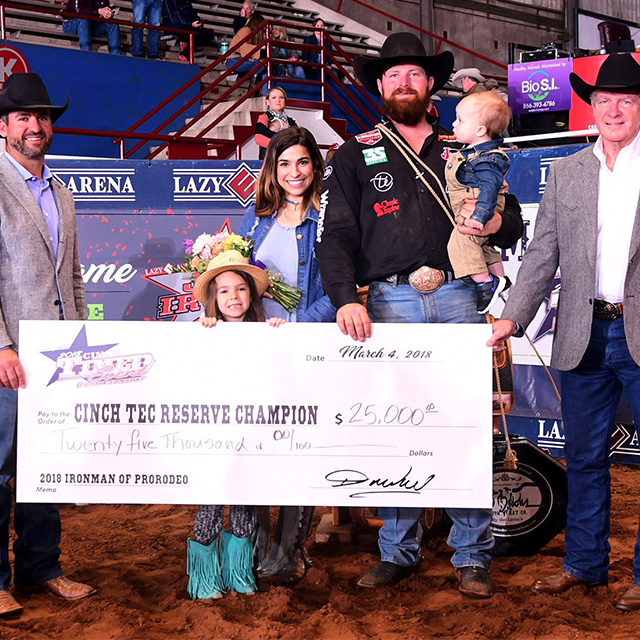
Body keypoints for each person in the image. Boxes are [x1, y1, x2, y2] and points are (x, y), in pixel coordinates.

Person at [315, 32, 523, 599]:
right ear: (380, 86)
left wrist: (494, 227)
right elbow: (335, 238)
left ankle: (472, 554)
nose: (403, 83)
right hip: (389, 302)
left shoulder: (466, 147)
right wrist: (346, 299)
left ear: (431, 83)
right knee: (396, 429)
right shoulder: (355, 152)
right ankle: (397, 552)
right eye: (393, 75)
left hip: (458, 297)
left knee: (465, 425)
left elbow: (512, 223)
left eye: (414, 74)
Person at [488, 52, 640, 612]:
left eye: (627, 99)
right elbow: (542, 252)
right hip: (582, 330)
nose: (614, 110)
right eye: (604, 100)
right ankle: (583, 564)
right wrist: (513, 315)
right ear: (591, 106)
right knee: (584, 456)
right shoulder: (570, 170)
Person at [0, 72, 95, 617]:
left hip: (56, 355)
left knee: (43, 467)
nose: (35, 126)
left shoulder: (61, 190)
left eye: (42, 116)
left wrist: (77, 340)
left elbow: (74, 276)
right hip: (10, 356)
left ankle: (43, 568)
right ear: (5, 125)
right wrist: (1, 348)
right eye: (23, 117)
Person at [238, 127, 335, 583]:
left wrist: (297, 327)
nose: (294, 173)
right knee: (255, 450)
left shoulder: (328, 220)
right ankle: (259, 552)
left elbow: (340, 290)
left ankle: (289, 552)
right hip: (258, 352)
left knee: (299, 450)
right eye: (284, 164)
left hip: (306, 349)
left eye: (302, 162)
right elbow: (232, 285)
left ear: (315, 166)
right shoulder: (255, 224)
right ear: (272, 171)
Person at [187, 251, 283, 600]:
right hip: (214, 436)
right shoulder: (203, 332)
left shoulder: (267, 331)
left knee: (243, 503)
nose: (233, 297)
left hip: (250, 434)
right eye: (224, 291)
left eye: (241, 289)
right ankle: (204, 576)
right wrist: (203, 332)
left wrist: (277, 334)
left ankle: (240, 572)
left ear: (252, 296)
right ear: (213, 298)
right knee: (211, 501)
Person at [446, 91, 512, 313]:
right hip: (475, 207)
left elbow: (490, 189)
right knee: (483, 247)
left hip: (478, 209)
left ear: (480, 130)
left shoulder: (488, 159)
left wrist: (480, 215)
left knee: (461, 241)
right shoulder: (472, 154)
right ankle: (502, 281)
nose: (454, 124)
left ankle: (486, 284)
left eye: (460, 120)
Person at [254, 86, 298, 160]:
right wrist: (280, 146)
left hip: (288, 157)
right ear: (267, 102)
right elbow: (259, 138)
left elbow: (297, 139)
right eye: (274, 98)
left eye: (281, 98)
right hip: (270, 156)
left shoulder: (290, 121)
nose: (278, 100)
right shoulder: (264, 117)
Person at [227, 12, 266, 79]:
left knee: (264, 66)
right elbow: (243, 47)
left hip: (245, 60)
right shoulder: (245, 30)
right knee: (260, 66)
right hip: (235, 59)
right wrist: (259, 50)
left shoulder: (255, 36)